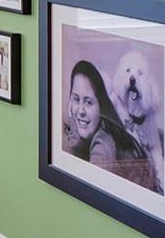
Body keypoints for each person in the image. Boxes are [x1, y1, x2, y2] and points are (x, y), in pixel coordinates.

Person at [61, 60, 155, 191]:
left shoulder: (103, 143)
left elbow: (89, 192)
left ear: (101, 106)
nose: (80, 111)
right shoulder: (100, 127)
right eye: (76, 99)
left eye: (88, 102)